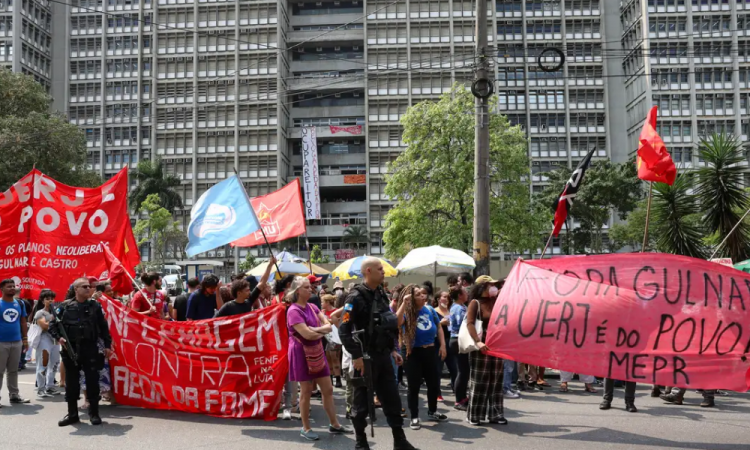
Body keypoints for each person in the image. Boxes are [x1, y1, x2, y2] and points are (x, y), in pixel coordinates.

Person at [339, 257, 418, 450]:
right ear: (368, 271)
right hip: (365, 358)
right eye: (380, 269)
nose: (383, 272)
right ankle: (361, 442)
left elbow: (386, 324)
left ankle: (400, 441)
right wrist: (357, 356)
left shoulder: (382, 293)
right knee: (361, 405)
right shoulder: (354, 297)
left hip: (383, 357)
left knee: (392, 399)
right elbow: (344, 330)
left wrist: (392, 350)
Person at [286, 276, 351, 441]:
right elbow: (307, 333)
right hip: (301, 352)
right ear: (297, 291)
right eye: (307, 287)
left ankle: (334, 424)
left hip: (316, 349)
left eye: (310, 287)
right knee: (306, 391)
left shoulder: (313, 306)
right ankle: (306, 428)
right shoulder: (293, 310)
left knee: (328, 389)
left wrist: (318, 328)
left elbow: (326, 324)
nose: (311, 289)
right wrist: (323, 328)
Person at [50, 278, 113, 426]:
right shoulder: (64, 307)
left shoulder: (95, 306)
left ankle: (94, 414)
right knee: (71, 384)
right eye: (84, 286)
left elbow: (103, 327)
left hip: (90, 348)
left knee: (92, 383)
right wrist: (59, 338)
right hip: (70, 349)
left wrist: (107, 345)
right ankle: (72, 414)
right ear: (76, 289)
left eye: (89, 286)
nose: (88, 288)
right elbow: (53, 325)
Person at [397, 284, 448, 430]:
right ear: (411, 298)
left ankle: (432, 411)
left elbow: (438, 327)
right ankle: (414, 416)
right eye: (419, 294)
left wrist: (443, 345)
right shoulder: (406, 311)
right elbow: (397, 322)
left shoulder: (430, 309)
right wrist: (403, 304)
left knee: (434, 384)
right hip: (412, 352)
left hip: (430, 350)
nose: (423, 296)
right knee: (413, 386)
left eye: (423, 294)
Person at [466, 276, 506, 426]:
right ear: (482, 287)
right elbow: (470, 324)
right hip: (480, 347)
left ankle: (496, 414)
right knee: (479, 382)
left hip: (497, 347)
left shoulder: (497, 302)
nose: (494, 287)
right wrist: (478, 341)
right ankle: (474, 415)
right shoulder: (475, 303)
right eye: (491, 285)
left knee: (496, 382)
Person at [0, 279, 30, 405]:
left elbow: (23, 321)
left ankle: (14, 395)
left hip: (16, 342)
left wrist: (25, 339)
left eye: (13, 286)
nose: (12, 288)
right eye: (9, 287)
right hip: (1, 343)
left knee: (13, 370)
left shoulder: (19, 303)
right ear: (2, 289)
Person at [32, 289, 62, 398]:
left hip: (55, 340)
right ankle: (41, 388)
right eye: (47, 299)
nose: (50, 301)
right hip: (44, 339)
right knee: (43, 364)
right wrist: (54, 318)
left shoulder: (57, 311)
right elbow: (44, 326)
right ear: (42, 300)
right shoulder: (40, 312)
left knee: (54, 364)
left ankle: (50, 386)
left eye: (52, 299)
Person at [448, 287, 469, 410]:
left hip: (459, 339)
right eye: (465, 292)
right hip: (458, 340)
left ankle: (463, 397)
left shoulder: (461, 306)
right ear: (460, 295)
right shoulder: (458, 308)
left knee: (464, 371)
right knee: (462, 371)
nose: (467, 294)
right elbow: (463, 323)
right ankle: (459, 400)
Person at [433, 290, 454, 401]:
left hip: (450, 341)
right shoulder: (434, 311)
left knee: (454, 368)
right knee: (438, 369)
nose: (446, 299)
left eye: (448, 297)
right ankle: (437, 393)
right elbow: (431, 326)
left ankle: (457, 390)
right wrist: (441, 323)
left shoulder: (451, 311)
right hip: (438, 343)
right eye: (444, 297)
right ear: (438, 299)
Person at [322, 294, 343, 388]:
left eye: (322, 302)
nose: (321, 303)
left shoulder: (336, 311)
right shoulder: (322, 312)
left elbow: (343, 320)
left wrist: (331, 320)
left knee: (335, 358)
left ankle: (338, 379)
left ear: (327, 302)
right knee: (328, 359)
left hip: (335, 337)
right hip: (325, 337)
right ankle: (330, 379)